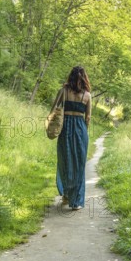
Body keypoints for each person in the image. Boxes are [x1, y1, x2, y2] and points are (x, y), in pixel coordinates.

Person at [54, 66, 92, 211]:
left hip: (65, 128)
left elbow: (55, 109)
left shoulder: (63, 91)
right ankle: (75, 201)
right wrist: (84, 132)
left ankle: (66, 194)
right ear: (84, 78)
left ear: (70, 77)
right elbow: (88, 117)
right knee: (79, 164)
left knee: (65, 160)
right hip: (80, 129)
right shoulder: (87, 95)